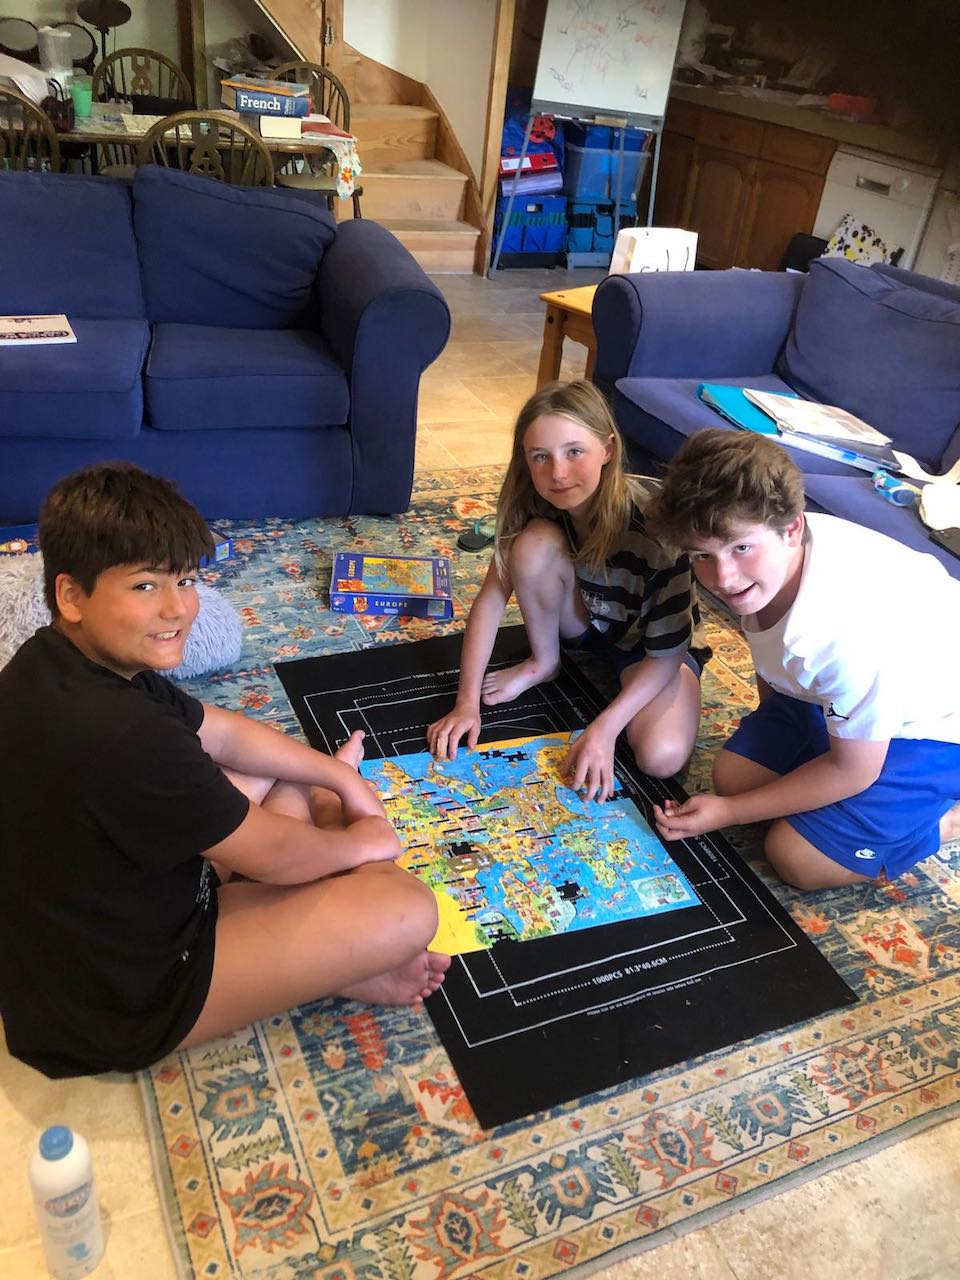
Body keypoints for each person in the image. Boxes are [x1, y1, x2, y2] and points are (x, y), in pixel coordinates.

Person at [0, 462, 449, 1079]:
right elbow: (279, 858)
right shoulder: (123, 734)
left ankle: (321, 945)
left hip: (91, 925)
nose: (178, 609)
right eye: (144, 586)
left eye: (185, 580)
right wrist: (364, 837)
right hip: (119, 1004)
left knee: (279, 770)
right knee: (405, 909)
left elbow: (225, 732)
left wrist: (340, 778)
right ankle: (335, 962)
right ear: (71, 595)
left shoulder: (56, 658)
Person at [645, 428, 960, 889]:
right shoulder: (775, 551)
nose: (723, 577)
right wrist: (746, 793)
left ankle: (945, 820)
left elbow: (853, 771)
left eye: (740, 548)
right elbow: (773, 665)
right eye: (702, 556)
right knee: (734, 778)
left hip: (935, 731)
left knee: (795, 858)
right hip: (850, 695)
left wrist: (729, 813)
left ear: (792, 528)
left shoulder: (838, 635)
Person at [427, 379, 709, 800]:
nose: (557, 473)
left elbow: (667, 652)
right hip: (586, 620)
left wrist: (603, 729)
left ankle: (610, 686)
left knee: (660, 756)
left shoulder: (658, 527)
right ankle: (545, 662)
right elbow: (490, 599)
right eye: (540, 456)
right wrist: (466, 701)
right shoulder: (531, 502)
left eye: (574, 451)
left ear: (608, 449)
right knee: (532, 545)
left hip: (651, 648)